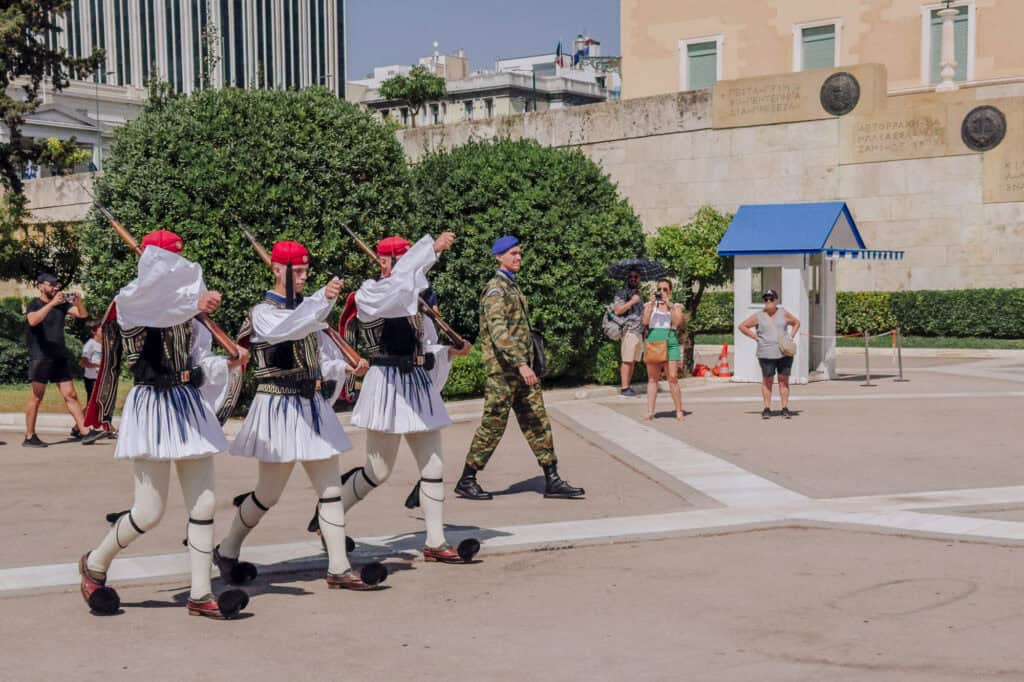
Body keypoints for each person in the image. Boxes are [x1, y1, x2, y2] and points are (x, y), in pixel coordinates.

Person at [78, 229, 250, 619]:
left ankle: (201, 593)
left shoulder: (187, 309)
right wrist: (193, 303)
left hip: (186, 403)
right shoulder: (132, 300)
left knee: (203, 502)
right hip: (152, 406)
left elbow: (196, 362)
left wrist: (226, 364)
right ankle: (95, 563)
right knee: (149, 512)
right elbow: (153, 311)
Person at [216, 240, 385, 591]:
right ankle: (227, 548)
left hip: (311, 405)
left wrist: (347, 366)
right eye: (298, 271)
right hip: (278, 406)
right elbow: (285, 329)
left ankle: (338, 567)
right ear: (277, 269)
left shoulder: (310, 312)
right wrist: (321, 301)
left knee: (330, 489)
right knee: (268, 494)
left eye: (307, 270)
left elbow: (320, 359)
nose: (304, 276)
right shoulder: (262, 311)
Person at [323, 232, 477, 564]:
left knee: (434, 465)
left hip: (416, 383)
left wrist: (449, 350)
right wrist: (429, 251)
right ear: (384, 261)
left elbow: (425, 344)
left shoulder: (414, 294)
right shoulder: (372, 293)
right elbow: (393, 298)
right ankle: (328, 520)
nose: (412, 266)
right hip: (387, 385)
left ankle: (435, 541)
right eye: (405, 259)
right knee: (378, 471)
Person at [455, 236, 585, 501]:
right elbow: (499, 332)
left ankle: (552, 478)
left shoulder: (513, 288)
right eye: (513, 253)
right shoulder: (496, 290)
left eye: (520, 253)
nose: (518, 258)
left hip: (522, 372)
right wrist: (521, 363)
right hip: (503, 373)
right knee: (493, 425)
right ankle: (467, 479)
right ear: (499, 257)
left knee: (538, 422)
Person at [23, 272, 92, 447]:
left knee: (71, 395)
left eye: (56, 285)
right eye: (51, 284)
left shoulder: (61, 306)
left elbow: (82, 315)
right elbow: (33, 320)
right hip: (40, 356)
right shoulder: (34, 304)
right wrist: (52, 303)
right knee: (37, 397)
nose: (55, 287)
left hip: (58, 356)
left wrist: (79, 302)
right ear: (40, 286)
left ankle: (85, 432)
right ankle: (30, 436)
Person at [739, 288, 800, 419]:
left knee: (784, 381)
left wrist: (790, 336)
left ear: (776, 301)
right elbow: (742, 326)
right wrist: (755, 337)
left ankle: (784, 408)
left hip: (784, 352)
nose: (768, 301)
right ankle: (767, 408)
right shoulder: (758, 315)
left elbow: (796, 322)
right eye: (766, 299)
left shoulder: (783, 313)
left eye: (771, 299)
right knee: (767, 380)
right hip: (766, 353)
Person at [642, 278, 686, 422]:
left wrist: (669, 305)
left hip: (670, 341)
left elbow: (677, 322)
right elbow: (645, 322)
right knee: (652, 378)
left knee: (672, 377)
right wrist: (651, 305)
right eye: (659, 289)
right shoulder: (650, 305)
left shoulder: (675, 306)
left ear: (670, 291)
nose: (662, 292)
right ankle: (650, 412)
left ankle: (679, 410)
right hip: (654, 342)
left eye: (665, 289)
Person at [612, 270, 644, 397]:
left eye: (635, 276)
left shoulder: (639, 294)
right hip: (629, 330)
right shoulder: (621, 293)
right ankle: (624, 388)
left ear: (639, 278)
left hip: (639, 332)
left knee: (633, 361)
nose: (633, 279)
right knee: (627, 360)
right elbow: (617, 311)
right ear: (626, 278)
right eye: (630, 276)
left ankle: (628, 386)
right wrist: (632, 301)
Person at [79, 321, 102, 403]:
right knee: (92, 403)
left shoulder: (104, 344)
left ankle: (82, 415)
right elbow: (82, 363)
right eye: (101, 329)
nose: (105, 331)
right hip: (91, 379)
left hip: (101, 378)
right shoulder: (90, 344)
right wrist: (98, 365)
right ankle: (82, 415)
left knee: (98, 402)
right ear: (94, 332)